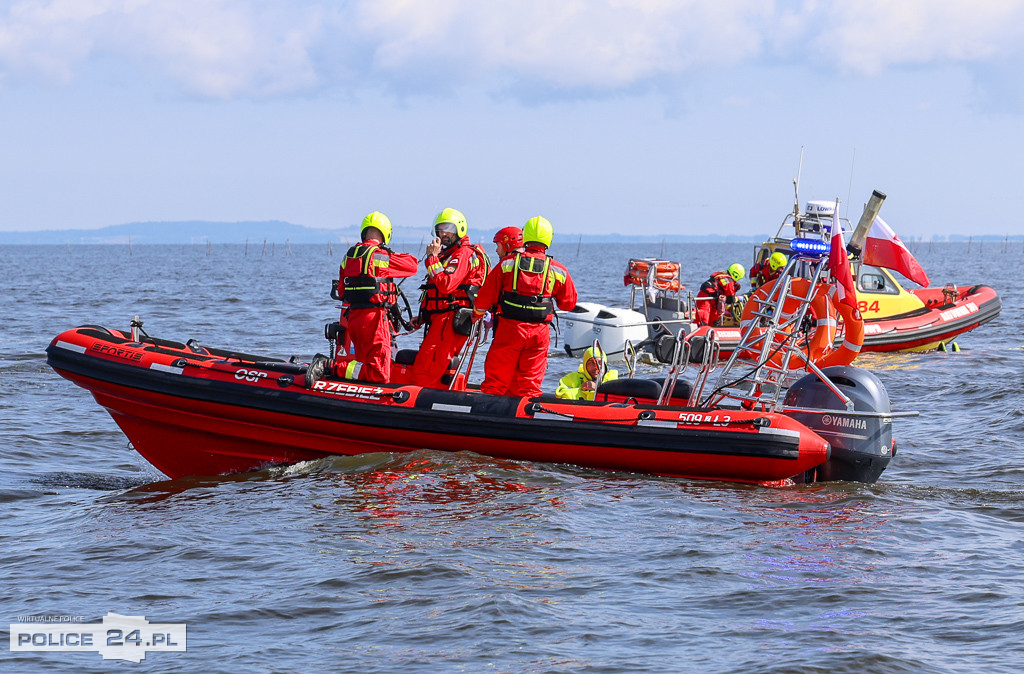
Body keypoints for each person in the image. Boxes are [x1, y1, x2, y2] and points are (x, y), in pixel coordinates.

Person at [306, 211, 419, 386]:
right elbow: (412, 266)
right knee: (380, 374)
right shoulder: (380, 256)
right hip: (374, 321)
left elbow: (342, 291)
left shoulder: (349, 256)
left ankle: (350, 383)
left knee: (363, 364)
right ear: (386, 233)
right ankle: (328, 365)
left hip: (354, 320)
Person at [472, 216, 577, 397]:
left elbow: (485, 296)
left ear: (525, 236)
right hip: (539, 334)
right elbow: (568, 303)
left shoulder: (507, 264)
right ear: (549, 239)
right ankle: (524, 419)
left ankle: (486, 418)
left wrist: (477, 314)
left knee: (495, 382)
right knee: (529, 386)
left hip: (509, 330)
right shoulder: (558, 270)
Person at [411, 208, 491, 388]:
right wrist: (423, 318)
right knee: (433, 367)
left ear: (459, 229)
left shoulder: (461, 255)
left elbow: (446, 285)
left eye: (448, 228)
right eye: (440, 229)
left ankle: (419, 408)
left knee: (424, 371)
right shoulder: (450, 255)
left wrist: (432, 258)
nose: (443, 233)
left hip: (449, 322)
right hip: (442, 320)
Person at [555, 345, 619, 401]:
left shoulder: (613, 381)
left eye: (600, 362)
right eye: (591, 363)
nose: (596, 367)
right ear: (585, 365)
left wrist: (597, 388)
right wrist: (582, 390)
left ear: (605, 365)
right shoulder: (573, 378)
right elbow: (560, 393)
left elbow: (617, 399)